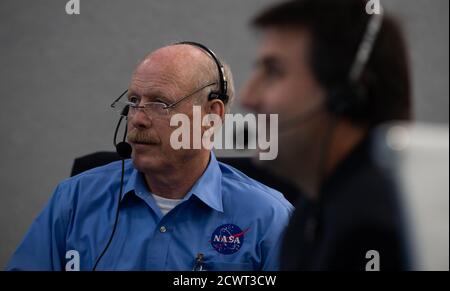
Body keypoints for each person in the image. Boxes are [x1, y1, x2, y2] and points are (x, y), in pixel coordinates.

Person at [7, 43, 293, 271]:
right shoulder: (74, 200)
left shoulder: (267, 218)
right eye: (133, 102)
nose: (137, 119)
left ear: (211, 116)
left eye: (159, 103)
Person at [241, 0, 411, 270]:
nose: (248, 97)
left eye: (273, 71)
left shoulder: (377, 227)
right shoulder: (311, 214)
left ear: (344, 95)